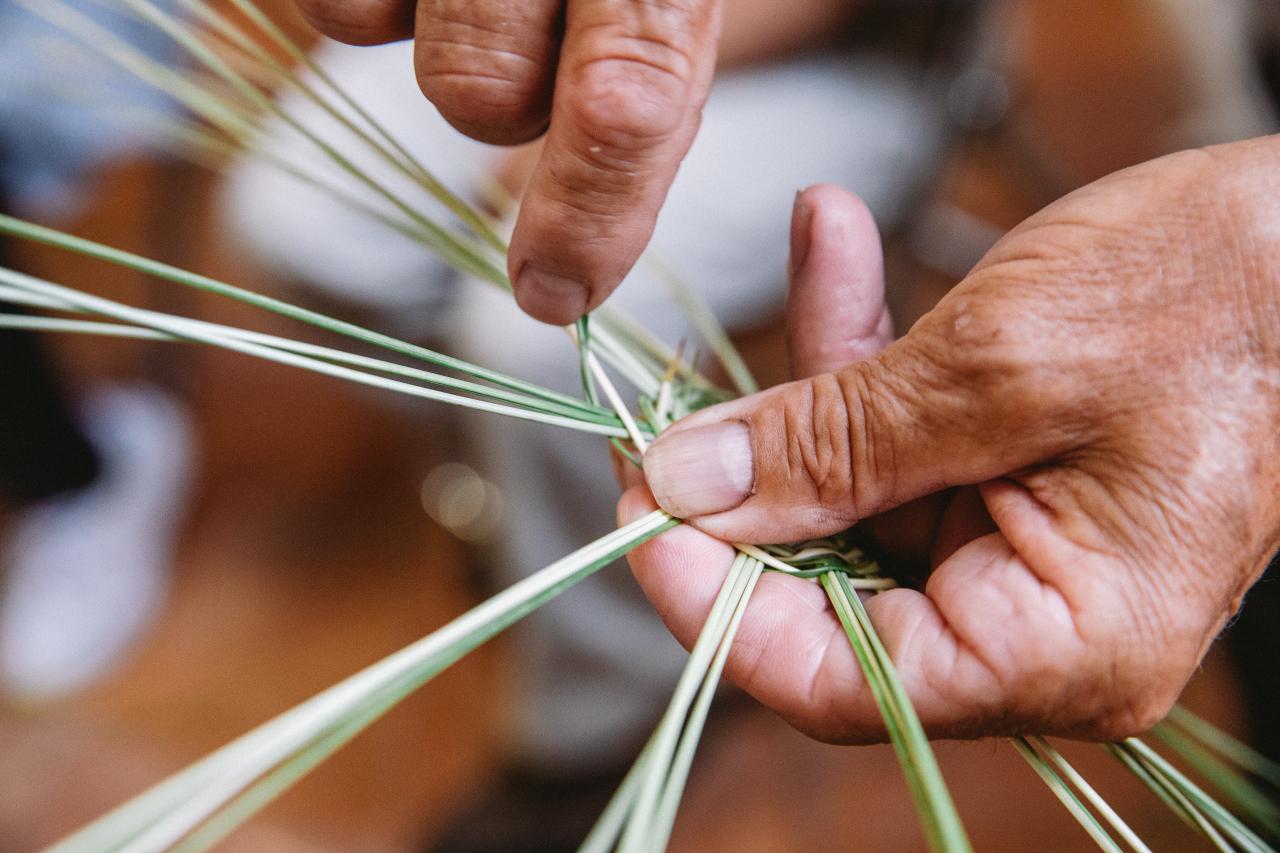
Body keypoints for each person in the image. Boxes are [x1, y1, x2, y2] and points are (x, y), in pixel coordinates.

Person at [290, 0, 1280, 745]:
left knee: (527, 344)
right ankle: (507, 504)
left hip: (860, 33)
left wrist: (1253, 286)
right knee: (296, 219)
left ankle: (601, 714)